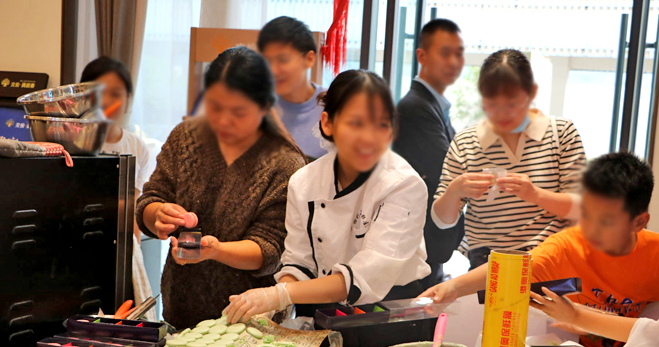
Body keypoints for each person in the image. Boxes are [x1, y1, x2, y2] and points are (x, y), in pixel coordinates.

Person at [421, 152, 659, 347]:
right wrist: (455, 287)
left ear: (639, 222)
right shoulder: (567, 245)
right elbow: (510, 267)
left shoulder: (658, 251)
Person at [223, 70, 431, 323]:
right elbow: (298, 262)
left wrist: (278, 294)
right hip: (320, 309)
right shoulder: (304, 181)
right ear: (327, 123)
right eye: (356, 123)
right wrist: (273, 302)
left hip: (388, 315)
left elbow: (368, 272)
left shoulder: (403, 184)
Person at [136, 47, 306, 329]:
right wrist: (158, 215)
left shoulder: (285, 163)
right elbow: (152, 198)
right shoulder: (186, 137)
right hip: (181, 310)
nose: (224, 120)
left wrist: (216, 250)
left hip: (252, 323)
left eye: (238, 111)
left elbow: (270, 250)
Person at [431, 49, 586, 269]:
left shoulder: (561, 133)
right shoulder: (466, 142)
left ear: (532, 93)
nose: (501, 114)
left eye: (512, 104)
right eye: (491, 105)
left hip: (549, 259)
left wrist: (535, 195)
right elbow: (442, 220)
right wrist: (454, 191)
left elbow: (581, 207)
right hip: (486, 265)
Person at [531, 211, 659, 347]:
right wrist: (581, 316)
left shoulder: (658, 251)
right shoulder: (561, 248)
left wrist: (576, 316)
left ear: (639, 222)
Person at [393, 19, 466, 291]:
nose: (454, 61)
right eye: (445, 53)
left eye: (458, 53)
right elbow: (447, 173)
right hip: (414, 244)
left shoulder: (433, 106)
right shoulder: (415, 108)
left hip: (425, 242)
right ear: (421, 56)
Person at [80, 56, 156, 306]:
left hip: (120, 247)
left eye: (117, 94)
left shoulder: (137, 147)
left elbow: (133, 205)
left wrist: (134, 256)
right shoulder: (73, 140)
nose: (109, 102)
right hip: (81, 243)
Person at [258, 16, 327, 159]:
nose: (273, 70)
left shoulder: (334, 104)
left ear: (309, 59)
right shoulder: (257, 106)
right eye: (267, 61)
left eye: (283, 60)